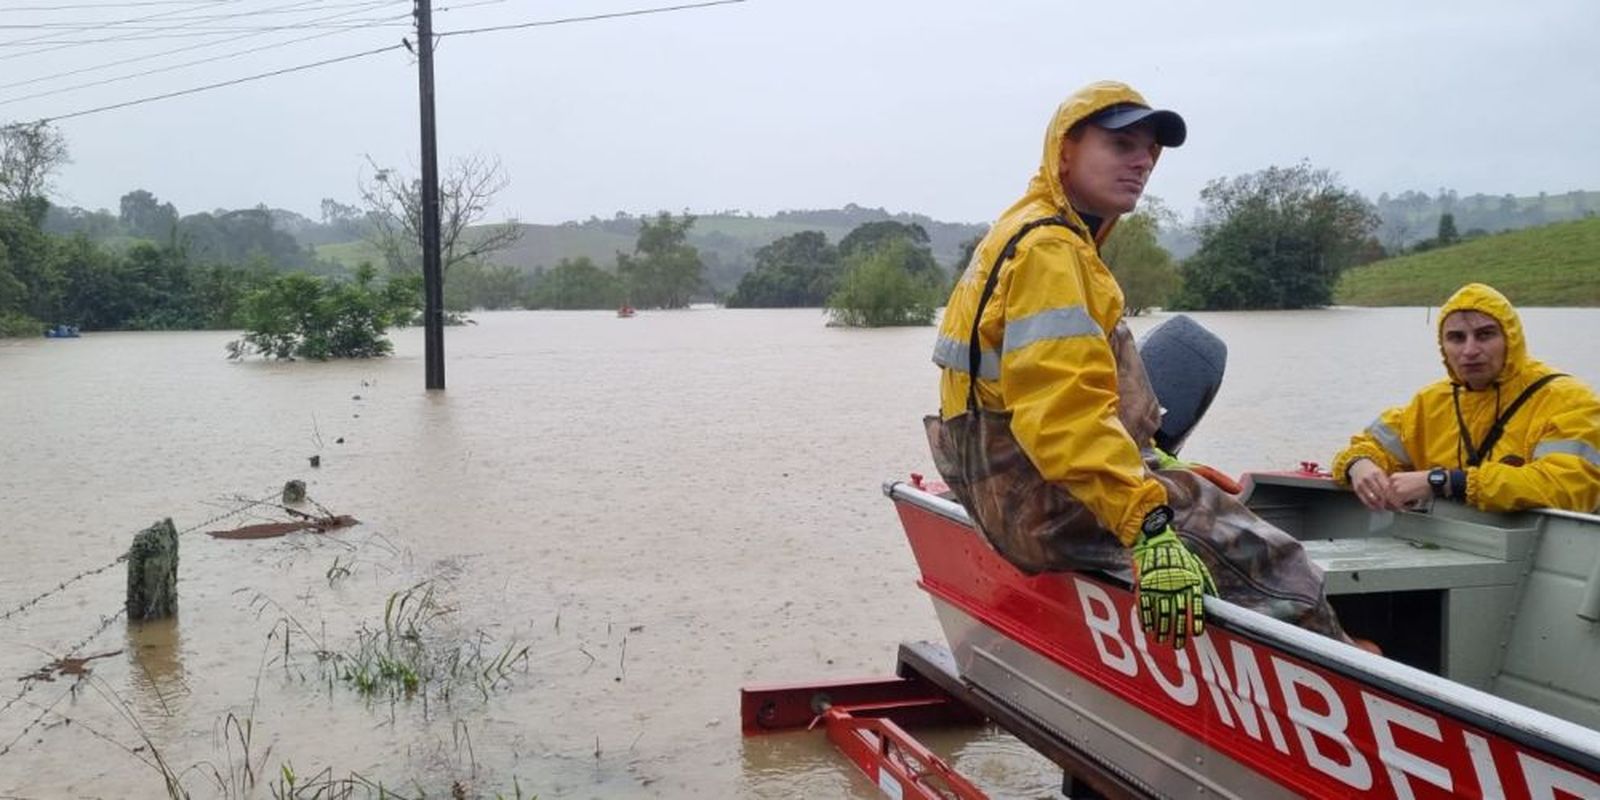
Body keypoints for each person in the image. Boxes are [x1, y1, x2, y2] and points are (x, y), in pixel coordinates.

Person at [924, 80, 1352, 650]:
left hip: (1015, 486)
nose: (1143, 160)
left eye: (1151, 148)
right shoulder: (1051, 252)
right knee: (1282, 568)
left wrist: (1159, 462)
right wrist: (1147, 525)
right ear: (1065, 151)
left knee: (1201, 500)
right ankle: (1358, 683)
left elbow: (1052, 391)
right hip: (1049, 501)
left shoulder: (1032, 231)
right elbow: (1063, 416)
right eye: (1121, 144)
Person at [1334, 283, 1600, 513]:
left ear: (1511, 339)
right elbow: (1367, 446)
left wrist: (1444, 481)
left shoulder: (1569, 400)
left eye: (1485, 335)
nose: (1470, 350)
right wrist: (1360, 466)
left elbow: (1569, 486)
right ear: (1443, 346)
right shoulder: (1430, 402)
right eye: (1456, 338)